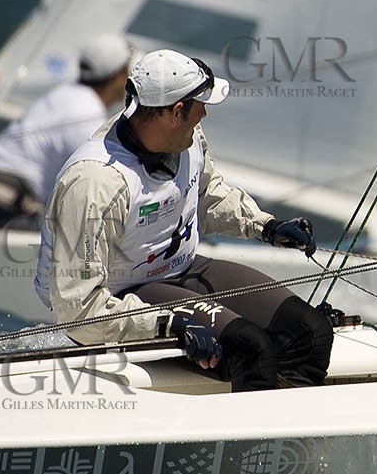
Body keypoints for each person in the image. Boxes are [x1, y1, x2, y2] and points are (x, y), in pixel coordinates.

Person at [37, 49, 333, 391]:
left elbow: (206, 194)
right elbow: (78, 311)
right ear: (177, 111)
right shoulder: (95, 182)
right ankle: (252, 441)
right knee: (250, 348)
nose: (204, 113)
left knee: (309, 331)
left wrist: (265, 226)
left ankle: (294, 433)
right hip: (121, 298)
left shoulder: (187, 139)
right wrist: (166, 324)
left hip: (182, 271)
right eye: (199, 105)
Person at [0, 35, 132, 229]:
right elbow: (100, 183)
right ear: (118, 75)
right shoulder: (89, 112)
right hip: (8, 198)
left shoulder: (64, 93)